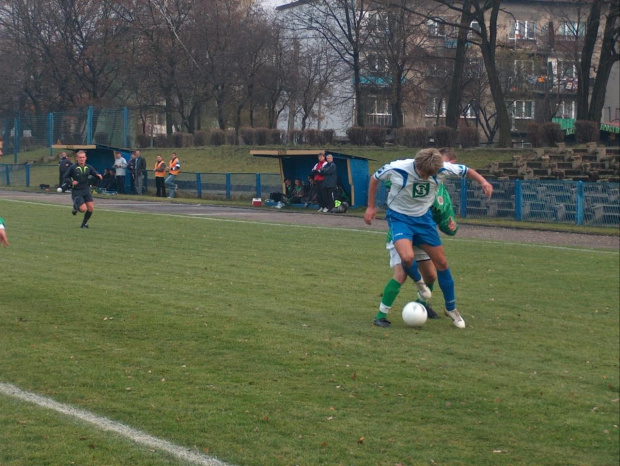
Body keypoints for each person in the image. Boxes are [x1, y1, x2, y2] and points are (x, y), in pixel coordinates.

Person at [365, 148, 493, 329]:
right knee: (405, 262)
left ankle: (450, 308)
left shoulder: (442, 169)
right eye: (423, 173)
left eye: (430, 175)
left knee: (437, 269)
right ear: (417, 165)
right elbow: (374, 179)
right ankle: (383, 313)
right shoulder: (398, 168)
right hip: (400, 219)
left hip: (423, 222)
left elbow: (467, 170)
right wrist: (371, 207)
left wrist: (484, 182)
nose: (426, 177)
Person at [63, 150, 103, 229]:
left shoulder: (88, 167)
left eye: (83, 157)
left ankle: (84, 224)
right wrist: (71, 182)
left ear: (86, 158)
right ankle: (75, 207)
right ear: (77, 158)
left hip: (86, 190)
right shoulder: (73, 167)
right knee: (83, 209)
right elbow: (65, 178)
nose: (82, 159)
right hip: (77, 191)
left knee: (91, 208)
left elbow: (94, 173)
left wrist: (98, 175)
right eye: (80, 157)